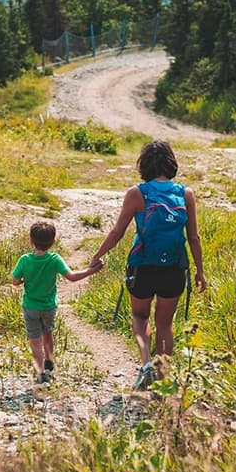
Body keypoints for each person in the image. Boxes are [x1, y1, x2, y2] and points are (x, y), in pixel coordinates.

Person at [88, 140, 207, 391]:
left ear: (144, 165)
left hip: (142, 266)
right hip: (174, 267)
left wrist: (97, 255)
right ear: (171, 162)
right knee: (165, 323)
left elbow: (118, 231)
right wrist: (200, 271)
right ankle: (162, 378)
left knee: (140, 316)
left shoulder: (137, 194)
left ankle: (145, 365)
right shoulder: (185, 194)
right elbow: (194, 238)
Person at [12, 220, 103, 384]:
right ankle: (49, 362)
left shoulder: (24, 260)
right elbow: (72, 277)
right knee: (48, 333)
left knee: (35, 340)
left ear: (31, 240)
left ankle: (40, 372)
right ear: (53, 242)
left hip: (30, 307)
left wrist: (26, 278)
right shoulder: (54, 259)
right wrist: (91, 271)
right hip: (49, 307)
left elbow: (15, 281)